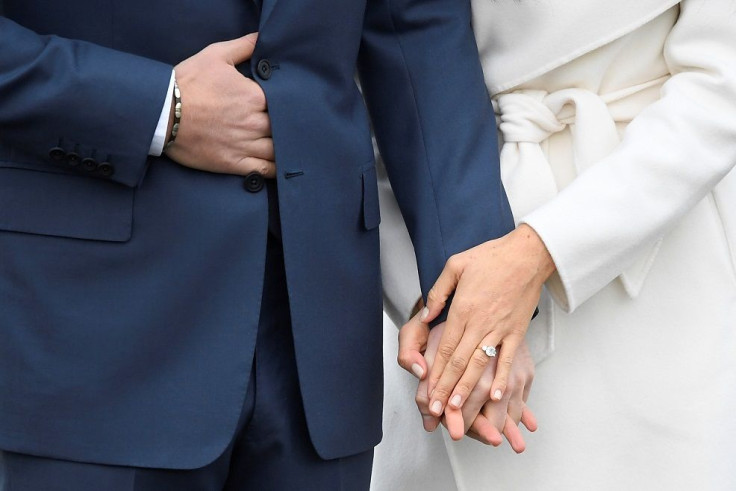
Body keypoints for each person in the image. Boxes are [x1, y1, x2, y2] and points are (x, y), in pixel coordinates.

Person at [0, 0, 518, 489]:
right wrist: (156, 108)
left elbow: (417, 26)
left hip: (320, 343)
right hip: (83, 330)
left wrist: (471, 292)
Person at [378, 0, 736, 489]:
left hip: (654, 247)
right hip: (440, 240)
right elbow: (381, 76)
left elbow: (721, 88)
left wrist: (543, 249)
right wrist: (436, 306)